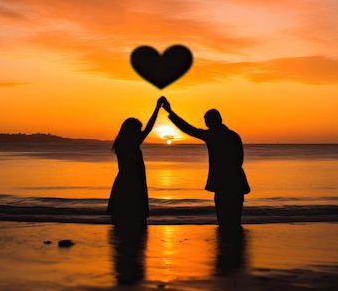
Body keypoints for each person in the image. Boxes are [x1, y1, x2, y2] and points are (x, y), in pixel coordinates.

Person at [160, 98, 250, 234]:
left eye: (207, 121)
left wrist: (170, 112)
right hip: (237, 182)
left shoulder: (212, 135)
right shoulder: (234, 136)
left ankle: (226, 250)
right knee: (235, 222)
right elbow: (240, 160)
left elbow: (188, 129)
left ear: (212, 121)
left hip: (223, 183)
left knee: (224, 222)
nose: (206, 124)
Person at [107, 98, 162, 234]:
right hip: (132, 184)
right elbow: (149, 129)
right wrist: (157, 109)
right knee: (134, 220)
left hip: (125, 182)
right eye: (138, 130)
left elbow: (146, 130)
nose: (140, 132)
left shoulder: (121, 145)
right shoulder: (130, 145)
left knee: (123, 222)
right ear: (131, 131)